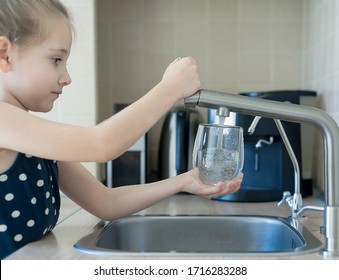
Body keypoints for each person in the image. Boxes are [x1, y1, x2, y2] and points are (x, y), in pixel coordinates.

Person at [0, 0, 243, 259]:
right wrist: (169, 89)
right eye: (56, 59)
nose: (66, 77)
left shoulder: (35, 142)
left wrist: (183, 181)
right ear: (5, 54)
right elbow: (101, 145)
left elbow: (105, 202)